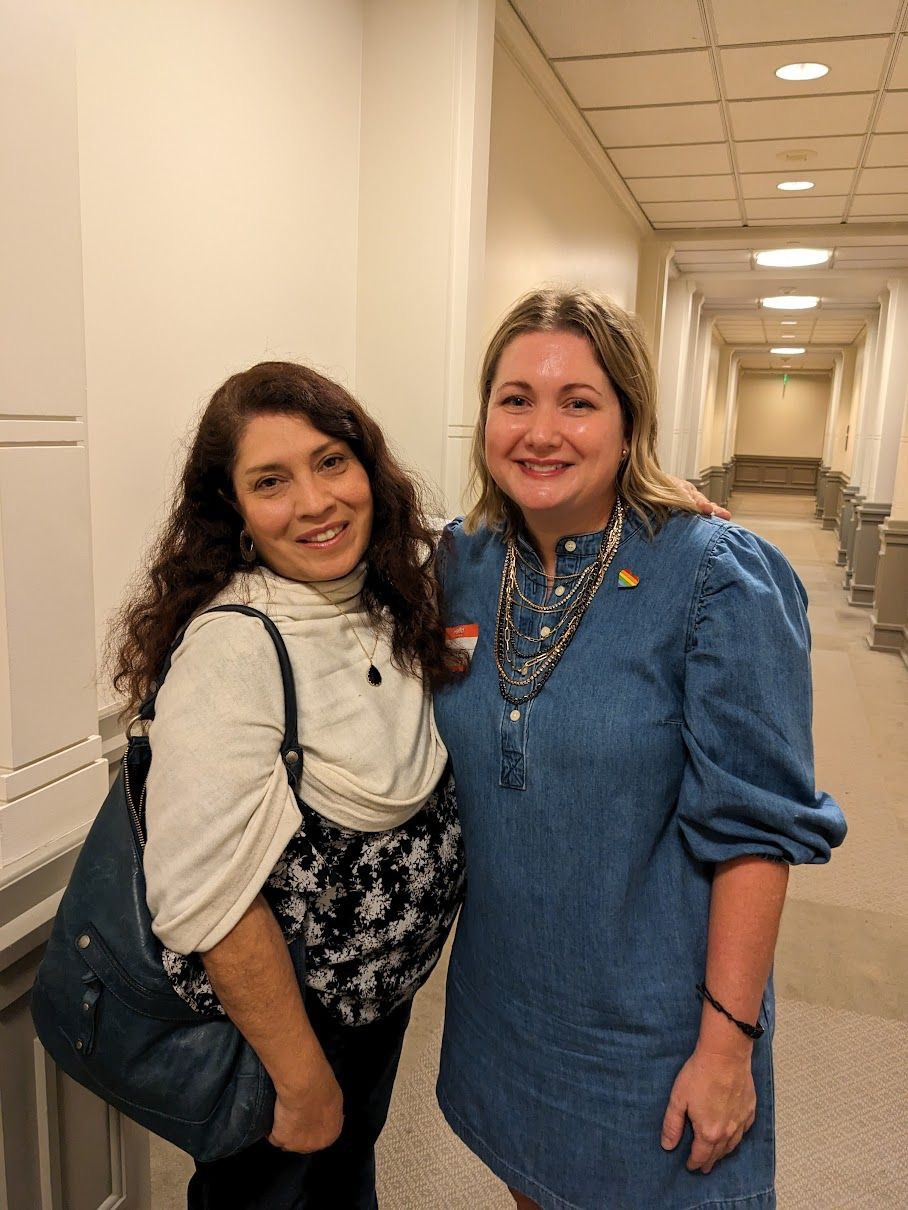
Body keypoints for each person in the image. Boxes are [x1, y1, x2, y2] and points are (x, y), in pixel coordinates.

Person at [432, 288, 847, 1210]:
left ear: (630, 421)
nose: (542, 431)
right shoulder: (460, 561)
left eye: (578, 401)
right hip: (507, 1004)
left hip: (654, 1030)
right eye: (516, 399)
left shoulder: (714, 576)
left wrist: (727, 1045)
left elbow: (757, 832)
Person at [110, 361, 466, 1209]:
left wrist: (646, 505)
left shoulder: (384, 591)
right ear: (231, 509)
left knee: (342, 1188)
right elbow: (208, 900)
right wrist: (302, 1079)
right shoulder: (235, 648)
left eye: (331, 461)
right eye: (271, 481)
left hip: (373, 1015)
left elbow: (500, 523)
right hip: (280, 1043)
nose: (315, 502)